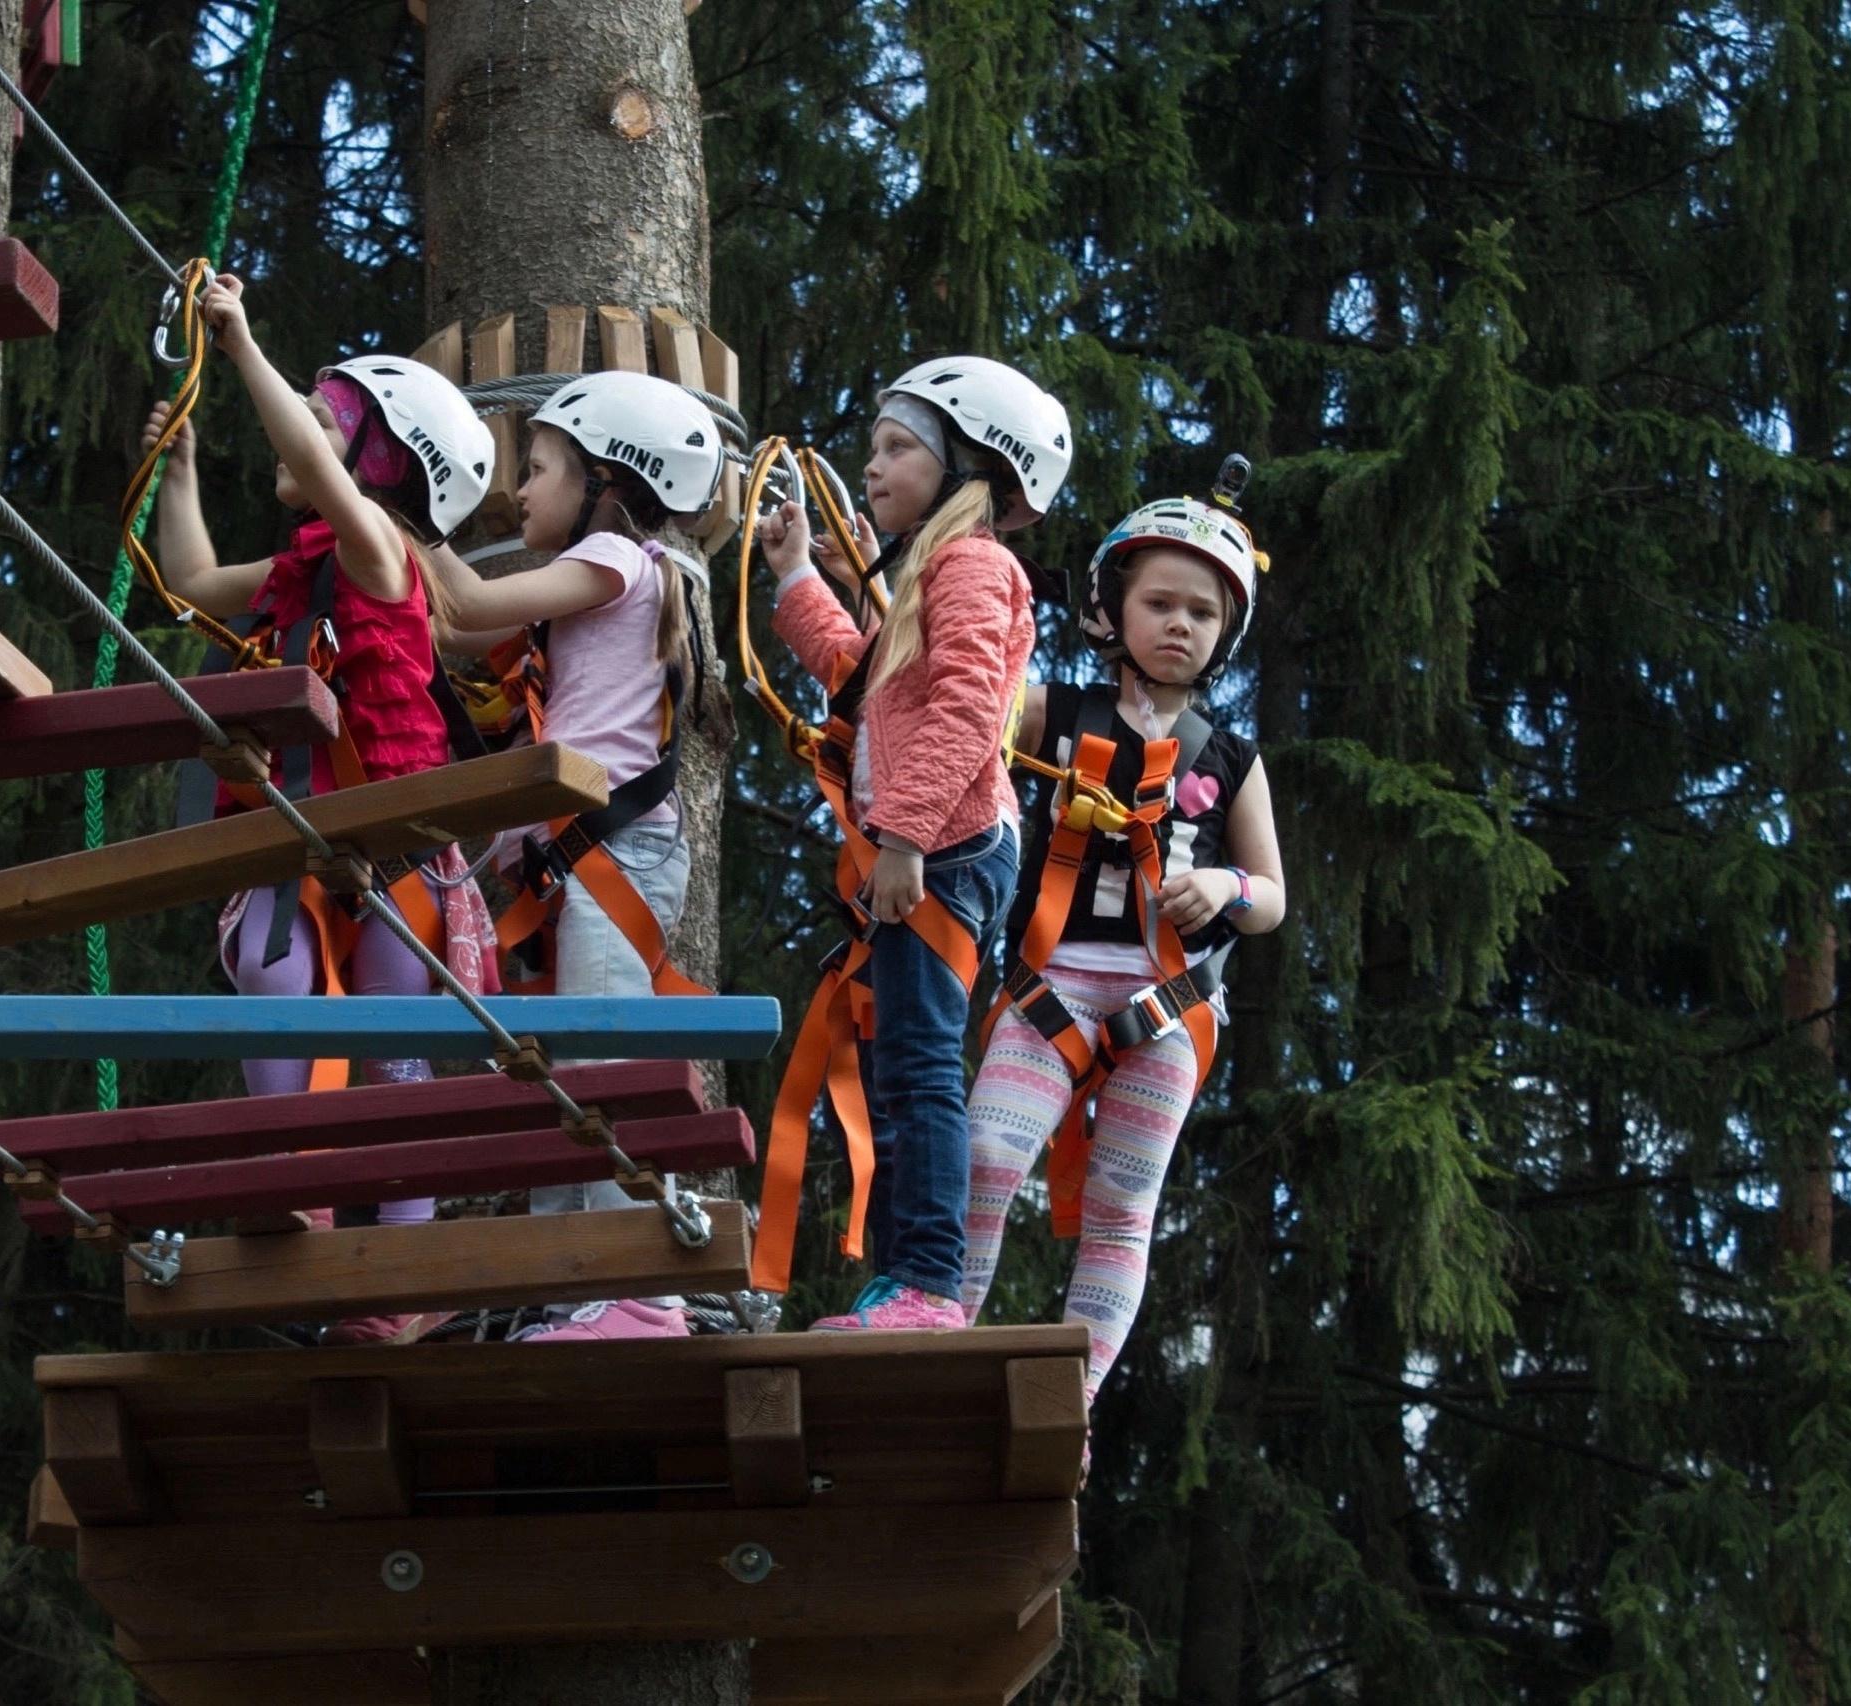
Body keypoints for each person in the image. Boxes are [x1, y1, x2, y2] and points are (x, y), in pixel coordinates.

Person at [139, 272, 499, 1346]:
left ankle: (403, 1271)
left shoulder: (380, 551)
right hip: (301, 836)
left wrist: (242, 343)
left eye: (331, 421)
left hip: (390, 851)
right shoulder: (303, 568)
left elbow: (305, 460)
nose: (304, 434)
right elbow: (192, 576)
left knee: (392, 1046)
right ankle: (291, 1176)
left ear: (381, 466)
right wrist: (182, 468)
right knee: (268, 965)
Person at [961, 471, 1288, 1430]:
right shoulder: (1052, 714)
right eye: (1159, 603)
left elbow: (1270, 895)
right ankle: (935, 1332)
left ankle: (1077, 1399)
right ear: (1112, 607)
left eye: (1201, 612)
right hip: (1047, 987)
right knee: (985, 1154)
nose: (1179, 625)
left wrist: (1226, 886)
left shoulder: (1230, 758)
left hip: (1167, 1004)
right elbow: (962, 702)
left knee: (1123, 1200)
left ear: (1225, 633)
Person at [753, 357, 1069, 1331]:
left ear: (966, 463)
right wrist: (796, 573)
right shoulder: (934, 576)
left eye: (898, 448)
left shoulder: (972, 566)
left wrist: (901, 838)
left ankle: (929, 1281)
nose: (875, 465)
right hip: (934, 846)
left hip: (947, 850)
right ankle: (903, 1281)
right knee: (902, 1067)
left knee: (922, 1067)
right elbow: (859, 673)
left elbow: (973, 704)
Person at [424, 370, 722, 1342]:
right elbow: (447, 630)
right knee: (559, 1081)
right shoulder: (586, 594)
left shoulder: (618, 557)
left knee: (599, 1061)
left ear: (608, 477)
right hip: (576, 861)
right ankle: (571, 1291)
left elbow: (463, 597)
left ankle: (640, 1290)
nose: (519, 489)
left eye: (539, 466)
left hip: (611, 853)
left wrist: (397, 503)